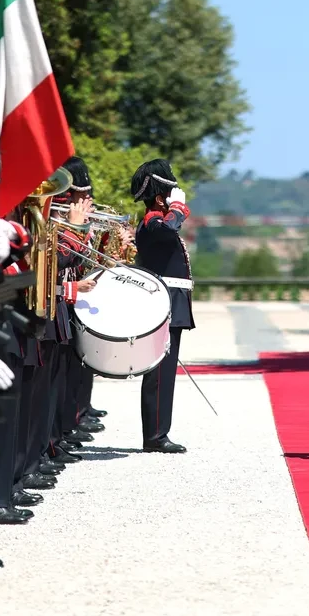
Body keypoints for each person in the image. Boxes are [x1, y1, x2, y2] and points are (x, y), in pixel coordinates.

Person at [131, 158, 194, 453]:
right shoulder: (154, 222)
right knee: (159, 371)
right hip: (164, 301)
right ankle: (155, 435)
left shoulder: (156, 221)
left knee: (165, 370)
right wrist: (177, 210)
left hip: (171, 299)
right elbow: (168, 232)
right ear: (160, 198)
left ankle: (158, 431)